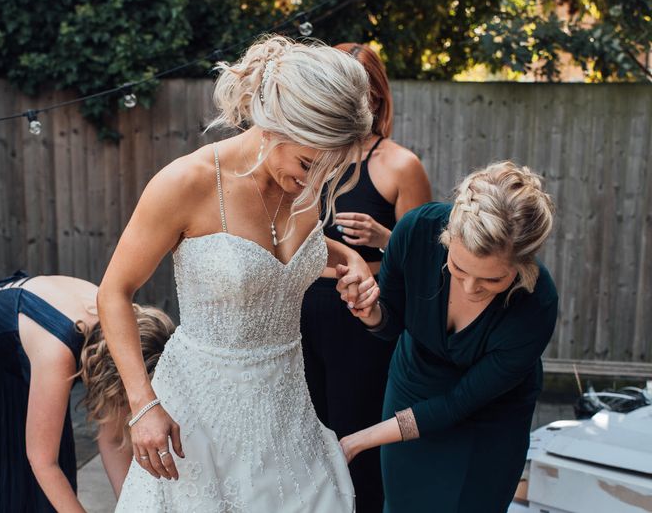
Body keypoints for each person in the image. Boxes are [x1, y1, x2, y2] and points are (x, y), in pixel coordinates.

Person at [98, 34, 377, 512]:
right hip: (201, 411)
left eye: (329, 171)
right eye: (309, 164)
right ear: (273, 125)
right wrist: (143, 405)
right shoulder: (187, 183)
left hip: (287, 406)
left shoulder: (306, 179)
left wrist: (344, 259)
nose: (315, 183)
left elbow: (280, 254)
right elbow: (114, 292)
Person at [337, 161, 559, 513]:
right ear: (447, 237)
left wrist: (356, 441)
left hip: (487, 419)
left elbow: (457, 404)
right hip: (412, 387)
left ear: (522, 265)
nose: (471, 288)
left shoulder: (537, 305)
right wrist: (372, 312)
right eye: (458, 268)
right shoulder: (415, 232)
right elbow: (391, 324)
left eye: (492, 281)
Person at [301, 42, 431, 512]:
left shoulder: (400, 164)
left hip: (361, 316)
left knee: (357, 437)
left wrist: (383, 237)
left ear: (375, 96)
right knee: (305, 435)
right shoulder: (307, 158)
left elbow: (425, 261)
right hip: (298, 312)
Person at [0, 271, 175, 512]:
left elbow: (111, 440)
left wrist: (132, 507)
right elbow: (43, 462)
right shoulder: (58, 352)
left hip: (19, 353)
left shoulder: (119, 335)